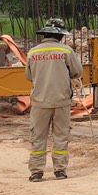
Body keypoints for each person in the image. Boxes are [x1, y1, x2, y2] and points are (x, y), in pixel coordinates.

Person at [24, 18, 82, 182]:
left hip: (39, 102)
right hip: (61, 100)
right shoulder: (66, 51)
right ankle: (60, 170)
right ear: (60, 36)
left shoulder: (33, 52)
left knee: (38, 137)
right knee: (61, 136)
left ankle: (36, 172)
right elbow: (77, 72)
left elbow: (29, 77)